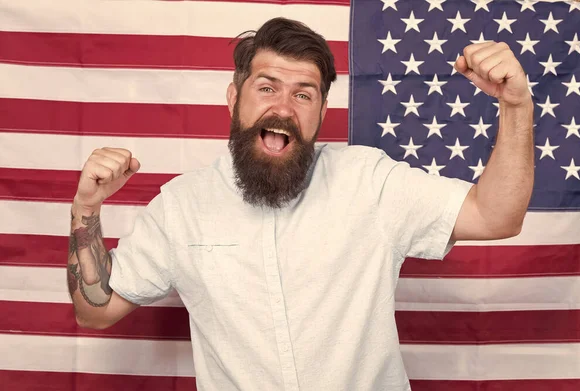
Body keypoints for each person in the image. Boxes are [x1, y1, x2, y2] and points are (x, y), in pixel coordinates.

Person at [68, 17, 533, 391]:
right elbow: (95, 309)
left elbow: (495, 216)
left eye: (303, 94)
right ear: (234, 98)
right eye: (267, 87)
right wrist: (86, 209)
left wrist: (515, 106)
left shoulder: (369, 181)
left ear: (321, 112)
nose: (284, 107)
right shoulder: (180, 206)